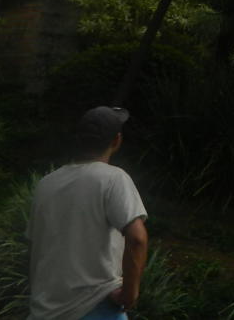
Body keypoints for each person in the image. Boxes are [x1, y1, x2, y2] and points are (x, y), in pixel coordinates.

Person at [27, 106, 148, 320]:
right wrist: (130, 294)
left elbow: (34, 245)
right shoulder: (113, 179)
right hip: (96, 308)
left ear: (79, 140)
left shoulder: (45, 184)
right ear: (116, 141)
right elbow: (137, 238)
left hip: (44, 311)